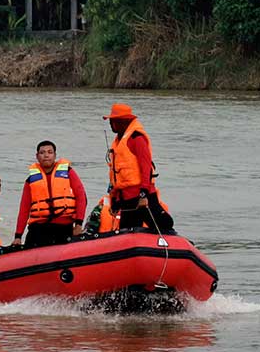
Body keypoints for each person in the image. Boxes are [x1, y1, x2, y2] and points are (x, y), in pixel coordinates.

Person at [103, 103, 174, 233]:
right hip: (126, 198)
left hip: (141, 196)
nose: (110, 123)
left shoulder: (136, 138)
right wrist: (115, 199)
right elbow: (117, 176)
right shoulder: (119, 141)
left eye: (112, 120)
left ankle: (171, 247)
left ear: (122, 121)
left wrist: (144, 194)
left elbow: (146, 167)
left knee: (164, 224)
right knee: (126, 232)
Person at [14, 140, 88, 249]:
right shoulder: (31, 180)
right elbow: (24, 209)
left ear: (55, 155)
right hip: (38, 229)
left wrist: (78, 224)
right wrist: (18, 236)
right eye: (42, 152)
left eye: (50, 152)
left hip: (63, 227)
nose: (46, 155)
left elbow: (81, 197)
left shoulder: (68, 172)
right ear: (37, 156)